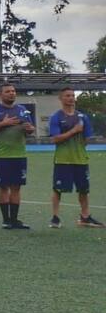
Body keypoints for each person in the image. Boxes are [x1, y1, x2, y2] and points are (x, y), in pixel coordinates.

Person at [0, 82, 35, 230]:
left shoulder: (22, 110)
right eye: (8, 91)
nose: (11, 93)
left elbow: (30, 129)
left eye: (13, 91)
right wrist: (3, 123)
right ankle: (6, 220)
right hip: (2, 155)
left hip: (20, 154)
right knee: (4, 187)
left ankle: (14, 220)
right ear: (0, 94)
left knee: (16, 187)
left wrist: (30, 128)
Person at [48, 86, 102, 228]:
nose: (71, 98)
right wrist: (74, 131)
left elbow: (86, 139)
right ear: (60, 98)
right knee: (58, 189)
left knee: (84, 190)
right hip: (63, 160)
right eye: (67, 96)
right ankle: (55, 217)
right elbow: (55, 139)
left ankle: (85, 217)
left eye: (72, 95)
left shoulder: (83, 117)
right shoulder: (56, 117)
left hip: (81, 159)